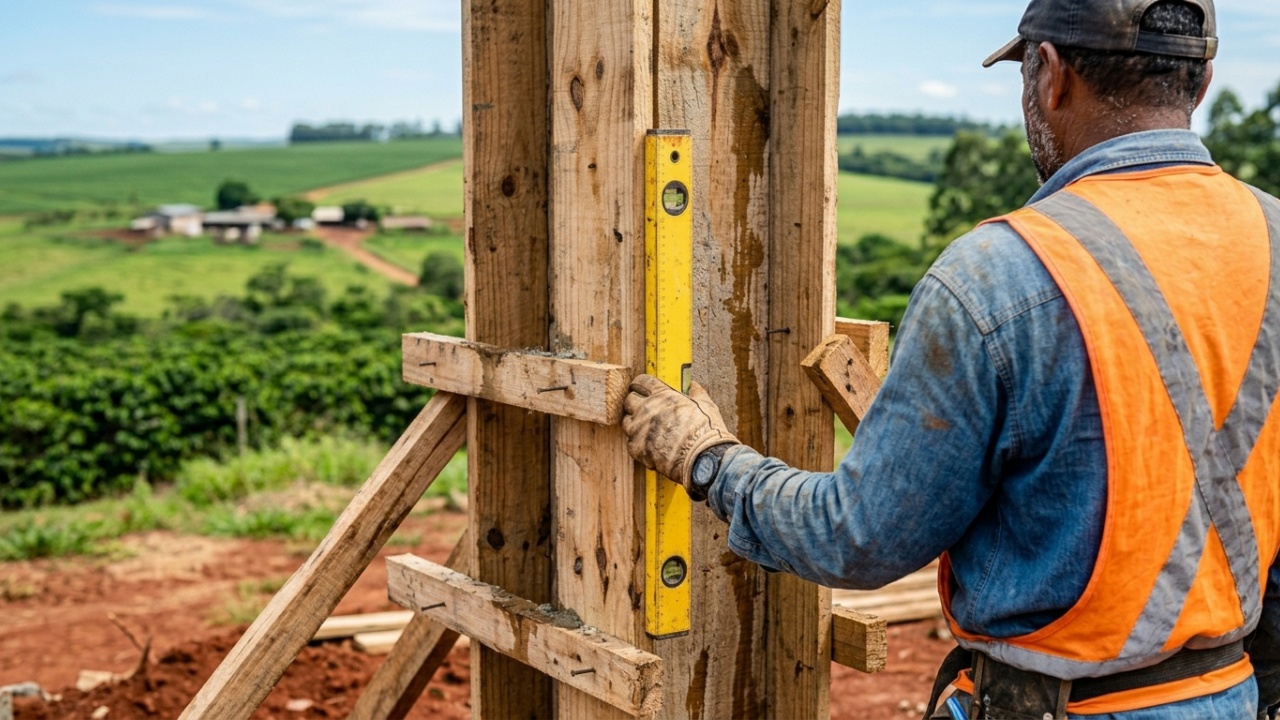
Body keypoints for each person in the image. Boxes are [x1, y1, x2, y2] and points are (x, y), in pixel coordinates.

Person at [621, 0, 1280, 717]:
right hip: (1228, 695)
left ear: (1051, 75)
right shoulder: (1273, 240)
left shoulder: (1000, 275)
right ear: (1204, 79)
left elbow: (860, 537)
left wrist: (709, 461)